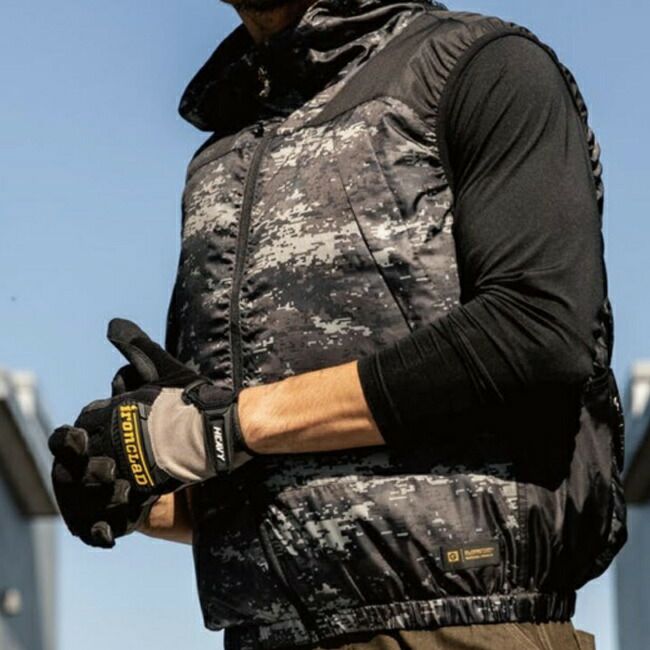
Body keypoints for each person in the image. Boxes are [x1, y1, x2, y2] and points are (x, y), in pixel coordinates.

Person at [48, 0, 628, 649]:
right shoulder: (220, 160)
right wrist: (147, 483)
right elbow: (290, 468)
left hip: (465, 628)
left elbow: (536, 333)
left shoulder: (484, 67)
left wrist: (227, 424)